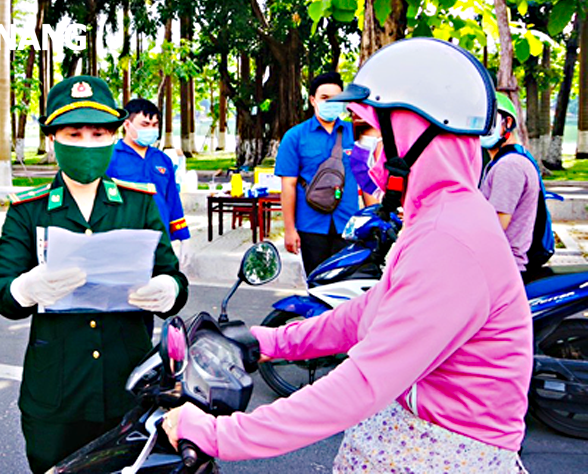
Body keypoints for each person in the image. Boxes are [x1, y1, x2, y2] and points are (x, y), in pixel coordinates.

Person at [162, 38, 532, 473]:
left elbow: (363, 383)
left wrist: (217, 434)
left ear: (417, 133)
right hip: (414, 438)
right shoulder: (439, 218)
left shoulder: (450, 238)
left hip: (444, 455)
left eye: (372, 131)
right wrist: (270, 342)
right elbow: (366, 314)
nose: (365, 148)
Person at [0, 76, 188, 473]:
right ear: (53, 139)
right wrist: (26, 287)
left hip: (127, 387)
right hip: (57, 394)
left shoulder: (139, 203)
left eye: (97, 133)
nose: (85, 143)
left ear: (114, 136)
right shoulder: (28, 210)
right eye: (73, 132)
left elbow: (174, 278)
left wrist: (167, 289)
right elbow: (1, 291)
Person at [275, 71, 367, 275]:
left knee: (347, 288)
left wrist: (373, 219)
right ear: (313, 100)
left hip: (348, 225)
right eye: (325, 98)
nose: (331, 103)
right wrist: (289, 230)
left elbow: (365, 177)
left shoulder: (355, 133)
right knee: (317, 286)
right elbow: (288, 186)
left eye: (337, 98)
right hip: (311, 227)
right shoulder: (295, 137)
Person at [106, 98, 192, 268]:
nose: (151, 130)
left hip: (160, 240)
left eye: (155, 125)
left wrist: (184, 238)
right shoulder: (111, 158)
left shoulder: (163, 160)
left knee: (162, 288)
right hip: (124, 243)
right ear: (127, 125)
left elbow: (172, 201)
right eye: (145, 125)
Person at [479, 92, 540, 276]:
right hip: (496, 264)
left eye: (490, 121)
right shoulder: (502, 162)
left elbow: (495, 226)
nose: (482, 128)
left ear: (508, 123)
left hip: (501, 269)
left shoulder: (510, 166)